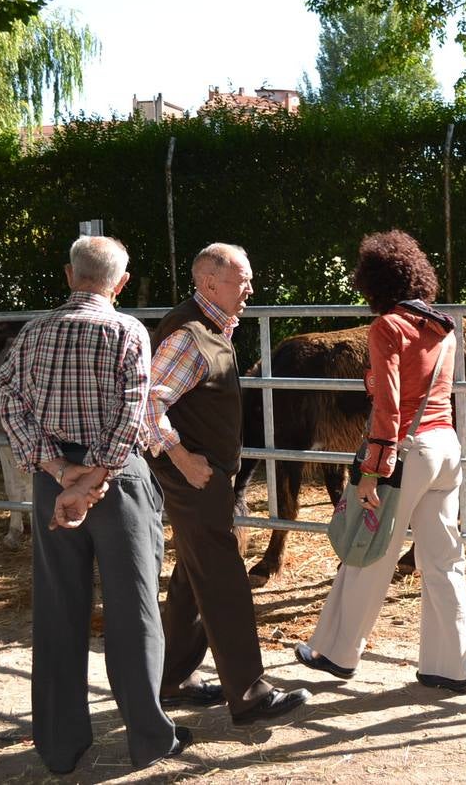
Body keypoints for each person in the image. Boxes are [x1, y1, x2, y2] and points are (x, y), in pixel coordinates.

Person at [0, 236, 188, 774]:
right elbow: (132, 413)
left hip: (52, 482)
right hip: (116, 483)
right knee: (135, 610)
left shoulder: (31, 335)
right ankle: (149, 737)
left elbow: (9, 404)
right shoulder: (128, 331)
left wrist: (60, 474)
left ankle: (59, 744)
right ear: (120, 283)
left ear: (68, 274)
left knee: (57, 608)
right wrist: (94, 478)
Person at [294, 230, 466, 694]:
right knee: (444, 560)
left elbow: (389, 407)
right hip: (445, 446)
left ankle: (336, 653)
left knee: (368, 551)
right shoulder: (444, 328)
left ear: (374, 281)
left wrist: (372, 470)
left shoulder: (387, 327)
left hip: (405, 453)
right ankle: (452, 668)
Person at [144, 243, 310, 725]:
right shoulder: (190, 336)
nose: (250, 289)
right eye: (242, 280)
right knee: (223, 576)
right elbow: (147, 402)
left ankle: (173, 677)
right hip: (193, 477)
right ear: (209, 284)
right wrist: (181, 456)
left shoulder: (212, 326)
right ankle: (249, 693)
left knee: (194, 575)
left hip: (205, 475)